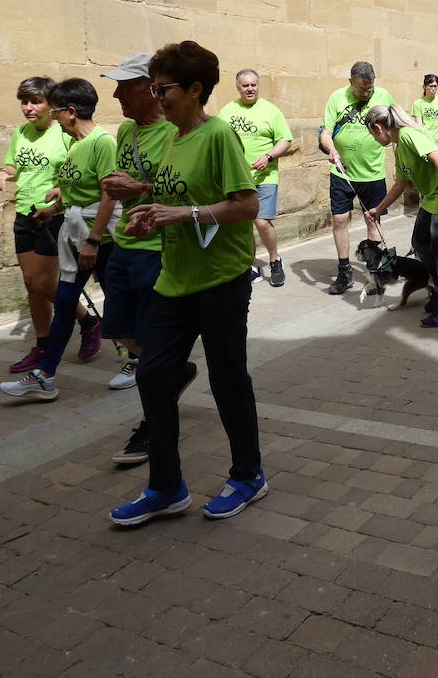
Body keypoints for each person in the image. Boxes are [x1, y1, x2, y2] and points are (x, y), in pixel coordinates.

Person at [108, 40, 267, 525]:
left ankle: (248, 475)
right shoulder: (173, 139)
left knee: (226, 379)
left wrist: (185, 213)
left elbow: (246, 205)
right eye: (153, 88)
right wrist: (147, 214)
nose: (157, 97)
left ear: (196, 89)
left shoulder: (218, 135)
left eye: (165, 88)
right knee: (154, 377)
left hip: (221, 279)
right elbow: (172, 195)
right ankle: (166, 487)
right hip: (174, 280)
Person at [0, 79, 118, 401]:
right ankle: (46, 374)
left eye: (55, 111)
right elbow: (75, 193)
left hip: (101, 239)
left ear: (71, 112)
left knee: (119, 301)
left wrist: (94, 240)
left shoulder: (102, 143)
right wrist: (52, 210)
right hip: (75, 236)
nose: (52, 117)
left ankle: (139, 360)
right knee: (64, 303)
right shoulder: (76, 144)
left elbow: (110, 195)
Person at [96, 53, 172, 396]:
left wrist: (140, 188)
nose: (116, 96)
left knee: (152, 338)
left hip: (157, 248)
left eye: (124, 87)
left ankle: (156, 406)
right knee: (117, 328)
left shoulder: (176, 131)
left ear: (151, 88)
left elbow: (191, 189)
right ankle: (165, 369)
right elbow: (121, 178)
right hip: (123, 242)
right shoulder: (126, 130)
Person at [363, 106, 438, 328]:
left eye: (372, 134)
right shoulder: (398, 147)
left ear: (378, 127)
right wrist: (378, 209)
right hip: (434, 196)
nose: (374, 139)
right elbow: (400, 184)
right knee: (419, 242)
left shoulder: (408, 135)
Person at [320, 62, 394, 295]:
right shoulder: (336, 98)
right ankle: (345, 272)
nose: (366, 93)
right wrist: (331, 150)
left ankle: (376, 273)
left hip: (372, 172)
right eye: (362, 89)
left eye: (370, 89)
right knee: (340, 220)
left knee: (373, 221)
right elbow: (325, 132)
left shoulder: (383, 96)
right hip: (342, 172)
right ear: (351, 81)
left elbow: (396, 128)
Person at [219, 69, 293, 288]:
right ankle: (250, 266)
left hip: (265, 176)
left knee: (261, 222)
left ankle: (274, 259)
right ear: (238, 87)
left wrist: (269, 156)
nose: (249, 88)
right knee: (243, 225)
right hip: (237, 179)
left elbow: (285, 140)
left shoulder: (271, 111)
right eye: (245, 85)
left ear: (258, 86)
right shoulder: (227, 111)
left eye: (253, 85)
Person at [409, 74, 438, 147]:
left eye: (435, 86)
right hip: (426, 143)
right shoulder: (418, 104)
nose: (433, 88)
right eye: (430, 86)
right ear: (424, 87)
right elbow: (419, 126)